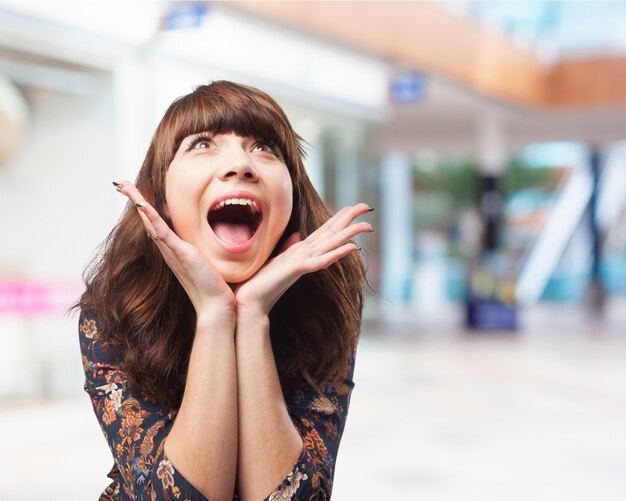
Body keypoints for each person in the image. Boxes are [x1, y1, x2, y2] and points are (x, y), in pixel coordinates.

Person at [75, 80, 372, 501]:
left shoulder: (324, 301)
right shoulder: (115, 306)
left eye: (265, 147)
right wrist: (215, 313)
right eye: (202, 144)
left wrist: (251, 314)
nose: (241, 165)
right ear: (160, 194)